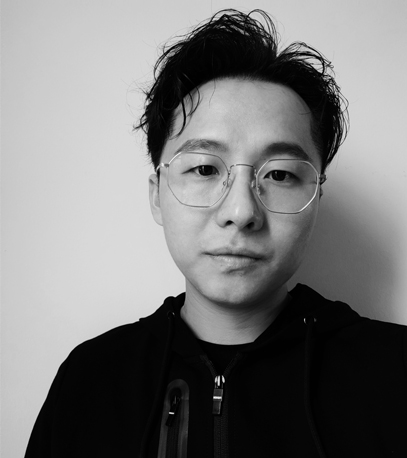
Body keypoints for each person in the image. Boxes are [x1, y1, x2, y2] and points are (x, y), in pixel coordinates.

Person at [25, 9, 407, 458]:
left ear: (316, 198)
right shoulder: (90, 380)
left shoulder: (395, 373)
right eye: (205, 169)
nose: (241, 212)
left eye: (280, 174)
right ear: (157, 195)